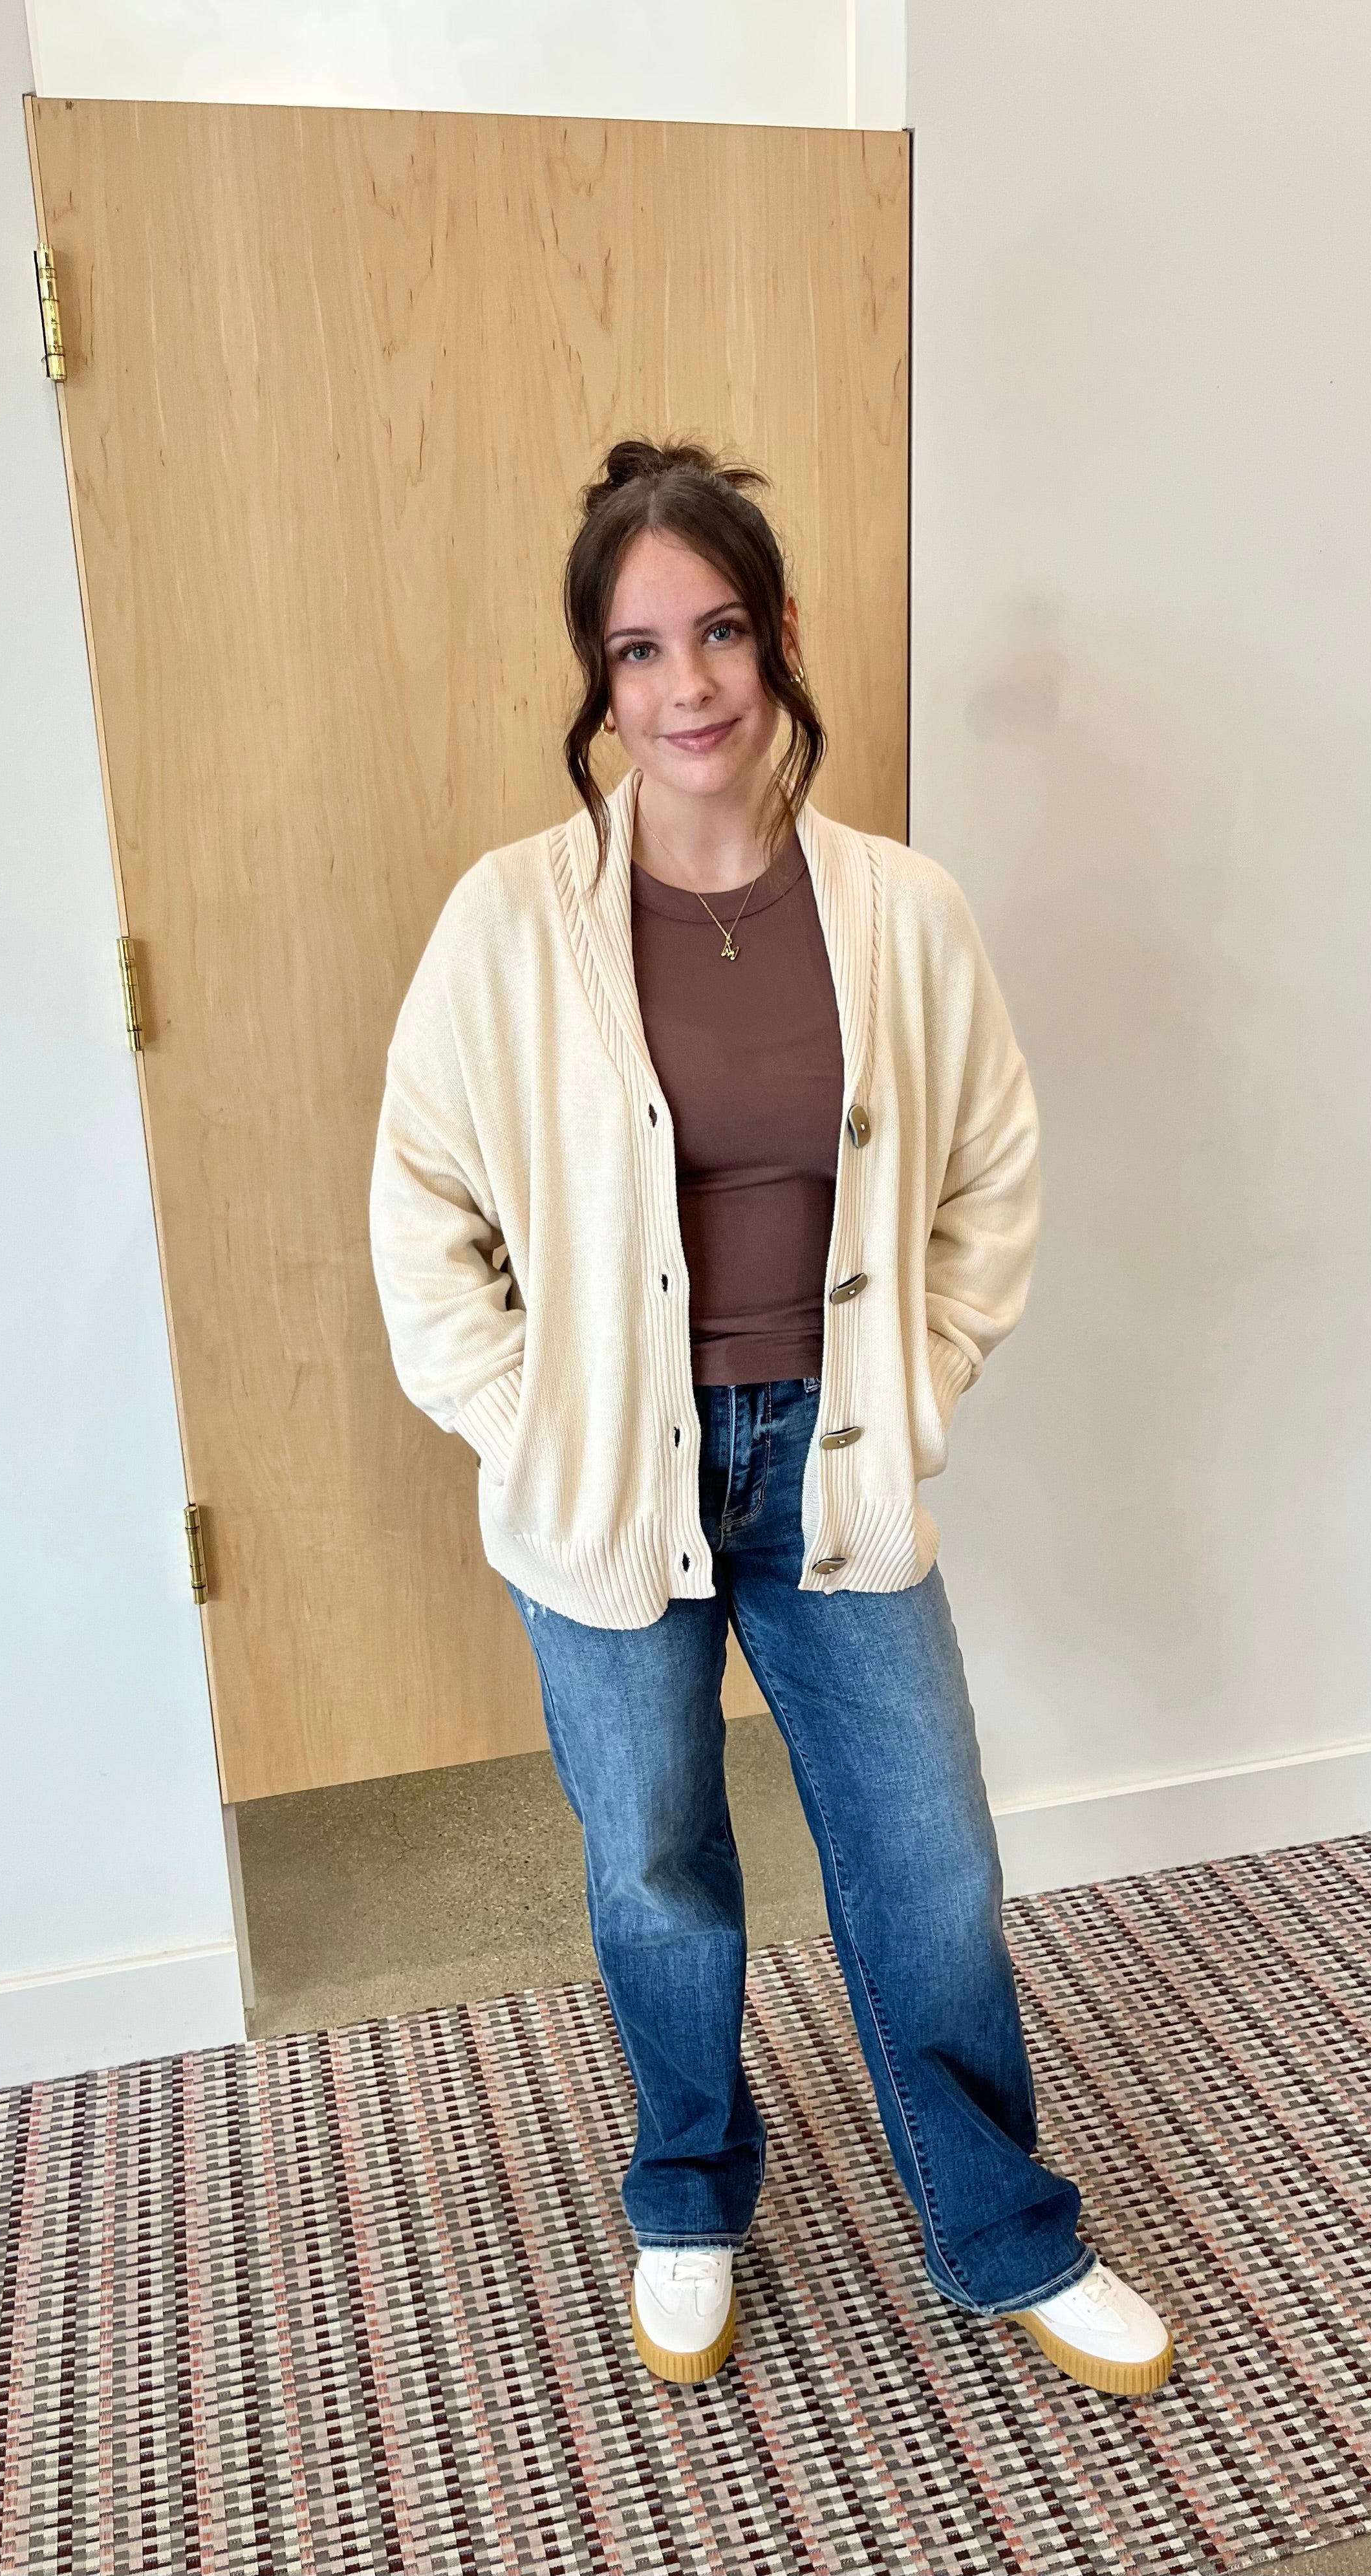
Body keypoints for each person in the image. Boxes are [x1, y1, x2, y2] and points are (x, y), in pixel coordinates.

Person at [369, 437, 1172, 2397]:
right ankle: (686, 2192)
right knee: (655, 1865)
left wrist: (917, 1378)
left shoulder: (899, 911)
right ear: (600, 679)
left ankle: (1002, 2224)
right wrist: (530, 1419)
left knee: (928, 1858)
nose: (689, 686)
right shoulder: (510, 922)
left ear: (779, 635)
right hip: (601, 1475)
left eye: (719, 632)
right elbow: (420, 1206)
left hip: (831, 1462)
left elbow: (990, 1177)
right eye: (640, 651)